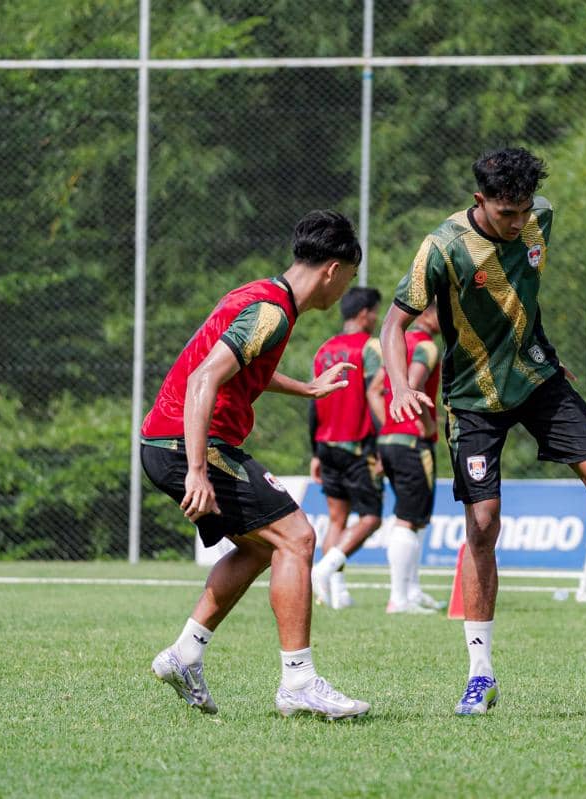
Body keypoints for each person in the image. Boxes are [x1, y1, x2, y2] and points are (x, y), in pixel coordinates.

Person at [381, 146, 586, 716]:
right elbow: (395, 325)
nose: (518, 222)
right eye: (505, 213)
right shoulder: (442, 246)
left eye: (523, 210)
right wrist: (398, 385)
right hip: (473, 399)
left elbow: (520, 298)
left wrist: (542, 351)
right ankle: (480, 675)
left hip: (539, 378)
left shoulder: (543, 217)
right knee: (483, 524)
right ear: (480, 200)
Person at [141, 210, 371, 720]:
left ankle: (185, 654)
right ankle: (299, 682)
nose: (345, 291)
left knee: (262, 547)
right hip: (186, 443)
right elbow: (204, 379)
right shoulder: (273, 312)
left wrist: (306, 387)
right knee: (298, 537)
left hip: (169, 440)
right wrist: (197, 470)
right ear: (332, 270)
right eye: (349, 277)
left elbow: (243, 368)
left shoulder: (261, 296)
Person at [307, 286, 385, 610]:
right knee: (371, 518)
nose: (377, 318)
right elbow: (375, 396)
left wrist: (314, 451)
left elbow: (313, 400)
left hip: (326, 445)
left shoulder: (324, 350)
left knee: (336, 519)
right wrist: (381, 446)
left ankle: (336, 594)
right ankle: (324, 570)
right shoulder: (370, 347)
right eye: (375, 311)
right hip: (357, 446)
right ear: (364, 313)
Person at [374, 301, 445, 614]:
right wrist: (426, 424)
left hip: (390, 439)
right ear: (427, 313)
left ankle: (411, 592)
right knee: (408, 518)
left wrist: (388, 424)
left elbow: (374, 390)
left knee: (413, 518)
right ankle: (399, 599)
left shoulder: (398, 344)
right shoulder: (426, 346)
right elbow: (414, 385)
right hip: (412, 442)